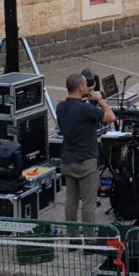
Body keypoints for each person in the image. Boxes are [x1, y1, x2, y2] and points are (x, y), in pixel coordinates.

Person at [56, 73, 115, 230]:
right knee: (88, 204)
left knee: (71, 202)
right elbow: (111, 117)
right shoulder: (86, 109)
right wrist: (100, 100)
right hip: (86, 162)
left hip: (68, 161)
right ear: (81, 87)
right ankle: (89, 240)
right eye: (86, 85)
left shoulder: (60, 107)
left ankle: (72, 238)